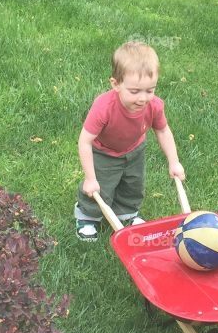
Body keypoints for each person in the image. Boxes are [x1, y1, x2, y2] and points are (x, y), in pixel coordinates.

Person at [74, 41, 185, 241]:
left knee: (134, 184)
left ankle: (126, 212)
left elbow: (162, 130)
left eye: (150, 90)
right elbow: (84, 141)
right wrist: (90, 178)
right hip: (104, 152)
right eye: (135, 92)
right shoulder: (103, 107)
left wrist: (174, 161)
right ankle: (87, 216)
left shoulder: (155, 106)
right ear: (116, 84)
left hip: (134, 150)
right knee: (102, 187)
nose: (143, 98)